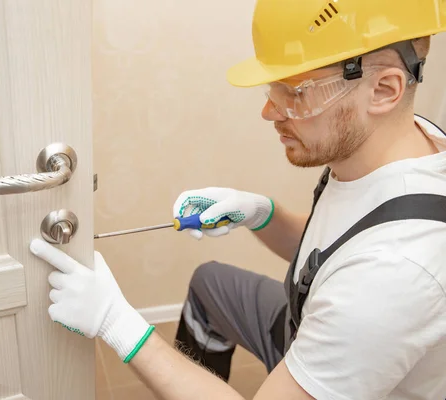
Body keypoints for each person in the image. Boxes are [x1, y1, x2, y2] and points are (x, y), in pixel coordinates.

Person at [29, 0, 446, 398]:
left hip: (342, 367)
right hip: (315, 330)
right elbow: (340, 246)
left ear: (383, 89)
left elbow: (365, 273)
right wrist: (262, 214)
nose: (269, 110)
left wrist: (115, 322)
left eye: (296, 91)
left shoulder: (391, 277)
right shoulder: (399, 142)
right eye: (273, 86)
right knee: (210, 284)